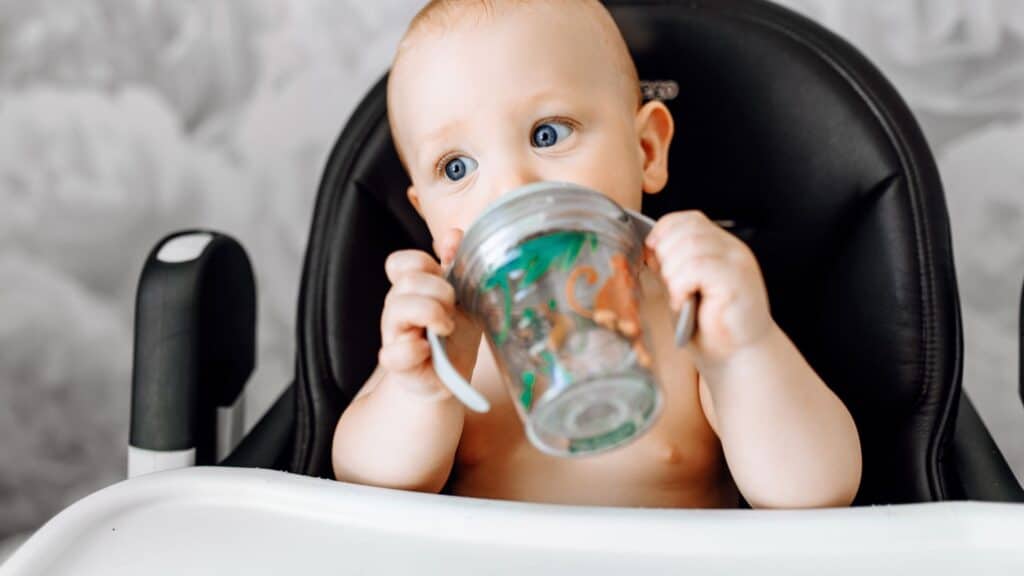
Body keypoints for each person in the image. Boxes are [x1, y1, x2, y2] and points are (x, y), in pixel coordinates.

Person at [332, 0, 862, 509]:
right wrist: (420, 389)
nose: (511, 188)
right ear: (426, 214)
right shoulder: (447, 339)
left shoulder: (694, 316)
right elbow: (362, 489)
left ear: (646, 151)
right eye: (456, 168)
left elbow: (816, 492)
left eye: (547, 133)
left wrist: (746, 352)